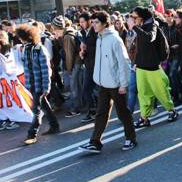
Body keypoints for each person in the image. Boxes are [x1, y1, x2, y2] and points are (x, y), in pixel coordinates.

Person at [79, 11, 137, 153]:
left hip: (116, 84)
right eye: (92, 22)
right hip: (104, 83)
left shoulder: (114, 39)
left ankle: (131, 138)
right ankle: (95, 142)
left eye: (96, 22)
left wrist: (123, 84)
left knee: (123, 113)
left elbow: (124, 63)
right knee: (101, 113)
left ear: (105, 23)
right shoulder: (99, 38)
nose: (93, 25)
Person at [131, 6, 179, 128]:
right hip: (141, 66)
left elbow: (148, 38)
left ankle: (172, 110)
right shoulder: (140, 28)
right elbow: (140, 49)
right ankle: (144, 118)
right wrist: (136, 63)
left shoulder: (152, 26)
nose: (132, 19)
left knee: (161, 90)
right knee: (143, 94)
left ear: (141, 18)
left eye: (134, 17)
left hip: (152, 66)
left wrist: (134, 27)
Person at [17, 24, 60, 145]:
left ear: (28, 36)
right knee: (44, 105)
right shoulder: (26, 49)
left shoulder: (40, 49)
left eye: (22, 37)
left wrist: (46, 87)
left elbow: (46, 70)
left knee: (36, 110)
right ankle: (54, 125)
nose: (20, 39)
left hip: (40, 85)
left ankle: (32, 134)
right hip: (31, 84)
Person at [52, 16, 84, 118]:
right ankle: (78, 105)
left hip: (74, 63)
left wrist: (69, 70)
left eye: (55, 29)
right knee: (74, 86)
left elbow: (69, 55)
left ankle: (76, 108)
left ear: (59, 28)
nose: (54, 31)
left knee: (74, 86)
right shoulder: (66, 34)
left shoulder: (67, 37)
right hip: (74, 63)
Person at [79, 12, 98, 123]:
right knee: (87, 89)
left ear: (89, 21)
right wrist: (82, 52)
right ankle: (93, 110)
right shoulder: (82, 32)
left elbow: (98, 47)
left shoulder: (94, 31)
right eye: (80, 22)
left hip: (95, 64)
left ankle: (95, 111)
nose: (81, 24)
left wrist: (86, 48)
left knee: (91, 88)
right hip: (88, 64)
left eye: (83, 22)